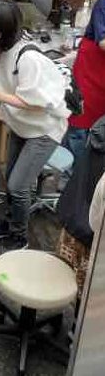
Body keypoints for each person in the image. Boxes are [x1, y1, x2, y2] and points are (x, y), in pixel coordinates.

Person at [0, 0, 70, 249]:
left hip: (45, 128)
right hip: (22, 124)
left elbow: (39, 103)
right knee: (10, 178)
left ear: (5, 27)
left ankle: (20, 236)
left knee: (18, 185)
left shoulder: (28, 58)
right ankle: (11, 221)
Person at [56, 116, 105, 299]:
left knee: (66, 282)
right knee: (85, 297)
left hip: (75, 218)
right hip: (93, 240)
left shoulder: (100, 128)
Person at [66, 0, 105, 160]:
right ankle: (70, 171)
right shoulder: (104, 2)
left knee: (99, 127)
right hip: (91, 67)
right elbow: (103, 41)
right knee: (78, 121)